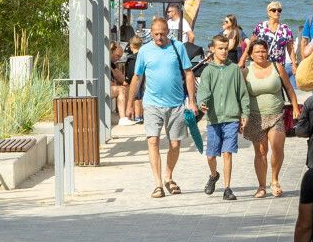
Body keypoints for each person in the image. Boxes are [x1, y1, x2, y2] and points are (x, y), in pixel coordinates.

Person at [129, 15, 198, 199]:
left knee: (175, 144)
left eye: (162, 33)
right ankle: (158, 184)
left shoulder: (178, 47)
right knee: (153, 141)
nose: (159, 37)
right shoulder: (144, 51)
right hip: (152, 104)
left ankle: (168, 176)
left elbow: (189, 74)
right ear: (150, 33)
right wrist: (130, 103)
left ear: (168, 32)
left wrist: (191, 101)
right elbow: (137, 78)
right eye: (156, 34)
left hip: (176, 104)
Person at [241, 38, 302, 198]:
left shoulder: (277, 67)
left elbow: (289, 88)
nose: (261, 54)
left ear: (267, 51)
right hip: (255, 117)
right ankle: (261, 186)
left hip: (277, 114)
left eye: (263, 51)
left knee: (277, 147)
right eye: (257, 52)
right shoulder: (246, 72)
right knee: (261, 152)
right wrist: (241, 115)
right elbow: (241, 96)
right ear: (251, 55)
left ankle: (274, 180)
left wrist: (295, 107)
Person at [197, 35, 249, 200]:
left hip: (231, 118)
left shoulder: (234, 69)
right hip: (214, 119)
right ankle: (213, 175)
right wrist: (202, 103)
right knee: (211, 155)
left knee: (227, 153)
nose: (224, 51)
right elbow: (203, 91)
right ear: (212, 49)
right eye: (220, 48)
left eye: (226, 48)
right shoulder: (208, 71)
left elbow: (243, 93)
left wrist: (245, 113)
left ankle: (227, 189)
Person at [253, 1, 298, 71]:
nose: (277, 12)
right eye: (274, 10)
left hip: (279, 66)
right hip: (262, 64)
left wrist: (294, 65)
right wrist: (244, 59)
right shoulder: (260, 27)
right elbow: (252, 44)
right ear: (268, 12)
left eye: (279, 10)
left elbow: (290, 48)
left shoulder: (286, 29)